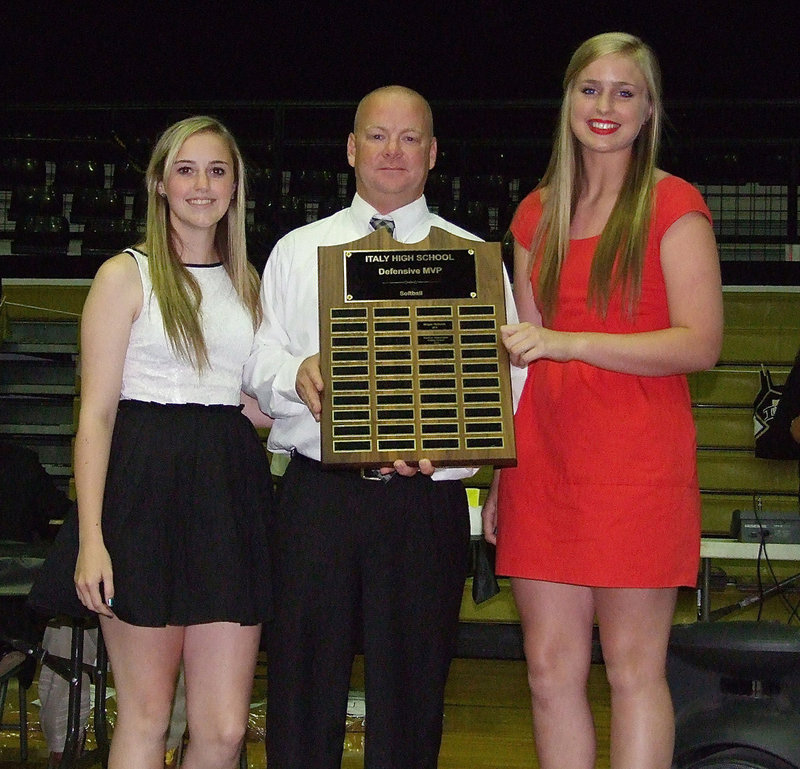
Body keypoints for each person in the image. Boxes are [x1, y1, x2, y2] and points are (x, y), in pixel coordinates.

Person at [244, 85, 525, 769]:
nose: (392, 151)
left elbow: (507, 377)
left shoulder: (472, 257)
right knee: (301, 690)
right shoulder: (295, 249)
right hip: (318, 498)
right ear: (351, 148)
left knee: (413, 694)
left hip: (422, 501)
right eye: (377, 135)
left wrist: (452, 453)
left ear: (432, 153)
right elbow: (257, 361)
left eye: (408, 138)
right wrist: (297, 374)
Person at [482, 33, 724, 769]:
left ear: (649, 109)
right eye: (591, 89)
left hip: (637, 464)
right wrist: (499, 471)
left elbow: (700, 344)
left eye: (625, 91)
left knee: (631, 669)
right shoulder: (533, 215)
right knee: (550, 669)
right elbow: (521, 357)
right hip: (544, 465)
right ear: (567, 101)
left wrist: (572, 342)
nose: (606, 106)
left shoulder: (674, 203)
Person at [30, 115, 273, 769]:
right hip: (140, 498)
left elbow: (250, 402)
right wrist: (90, 539)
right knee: (146, 716)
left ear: (236, 186)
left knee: (222, 730)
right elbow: (98, 417)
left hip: (227, 498)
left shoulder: (253, 286)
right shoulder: (124, 275)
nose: (202, 184)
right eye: (186, 169)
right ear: (160, 184)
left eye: (217, 170)